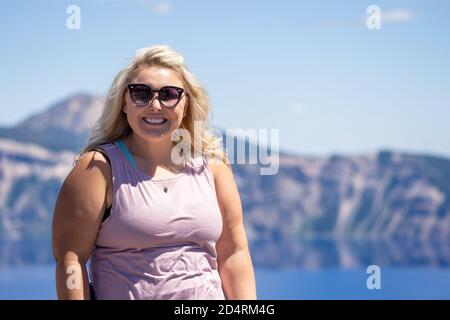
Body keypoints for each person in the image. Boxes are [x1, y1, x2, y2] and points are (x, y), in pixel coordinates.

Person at [51, 45, 256, 300]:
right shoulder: (97, 168)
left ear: (185, 104)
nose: (155, 105)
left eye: (169, 94)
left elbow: (233, 253)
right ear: (124, 103)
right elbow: (71, 259)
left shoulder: (213, 169)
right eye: (141, 93)